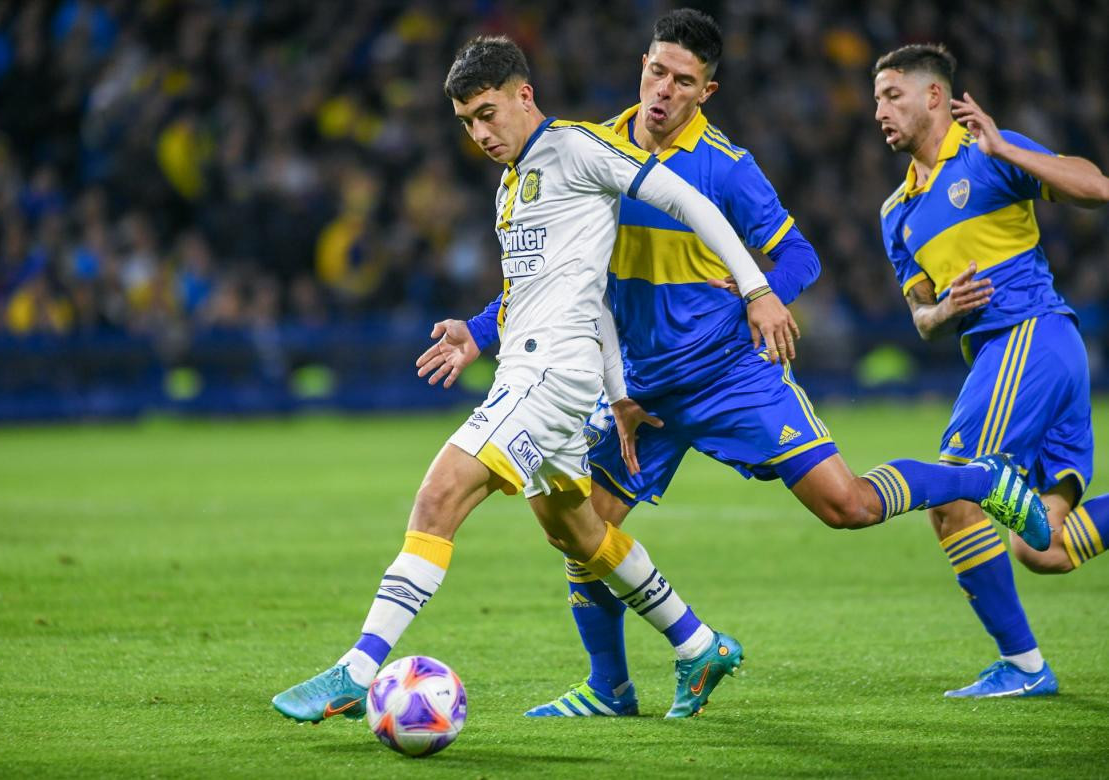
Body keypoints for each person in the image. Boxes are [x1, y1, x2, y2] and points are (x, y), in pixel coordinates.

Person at [415, 10, 1050, 716]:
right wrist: (478, 332)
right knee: (581, 527)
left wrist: (764, 296)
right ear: (643, 65)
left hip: (729, 375)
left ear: (705, 92)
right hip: (640, 392)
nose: (663, 89)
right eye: (656, 70)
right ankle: (610, 688)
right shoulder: (589, 150)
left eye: (683, 80)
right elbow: (546, 275)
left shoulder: (726, 167)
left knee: (847, 506)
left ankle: (973, 478)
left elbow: (800, 255)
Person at [273, 34, 802, 723]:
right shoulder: (511, 187)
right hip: (540, 373)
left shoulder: (578, 147)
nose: (480, 132)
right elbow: (585, 293)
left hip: (548, 378)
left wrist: (758, 287)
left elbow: (688, 202)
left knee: (439, 496)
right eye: (466, 122)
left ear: (524, 95)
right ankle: (698, 644)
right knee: (576, 533)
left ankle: (357, 669)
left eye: (488, 113)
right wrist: (603, 387)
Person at [873, 43, 1109, 697]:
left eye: (892, 96)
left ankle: (1026, 668)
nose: (879, 112)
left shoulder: (987, 152)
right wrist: (944, 307)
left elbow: (1095, 187)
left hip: (1026, 338)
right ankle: (1025, 519)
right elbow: (921, 316)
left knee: (953, 497)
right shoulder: (897, 214)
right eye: (874, 101)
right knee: (1047, 549)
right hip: (1036, 355)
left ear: (935, 99)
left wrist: (1008, 151)